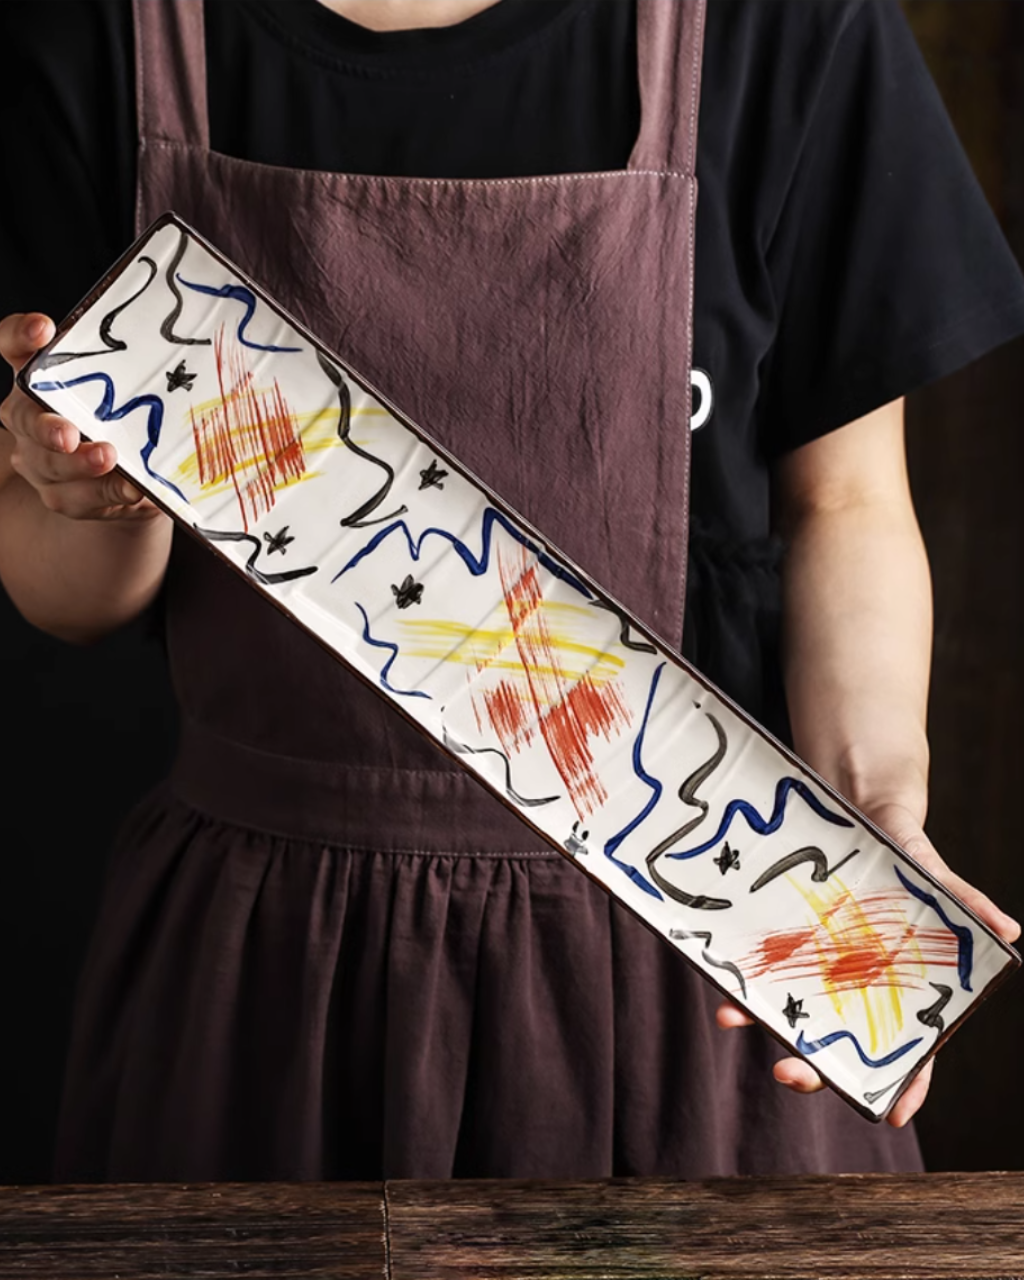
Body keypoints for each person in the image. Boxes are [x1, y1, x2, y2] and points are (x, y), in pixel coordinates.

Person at [1, 0, 1022, 1181]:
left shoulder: (790, 29)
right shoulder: (89, 40)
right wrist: (90, 493)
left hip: (709, 944)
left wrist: (870, 809)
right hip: (268, 962)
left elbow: (840, 504)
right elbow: (68, 591)